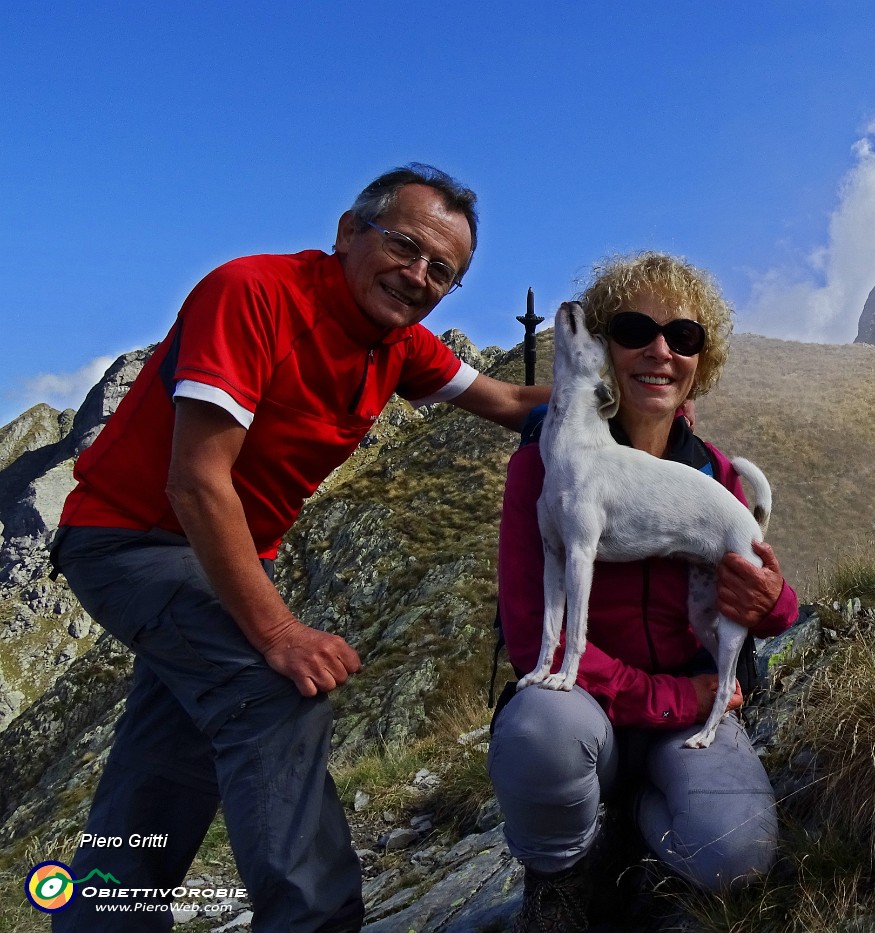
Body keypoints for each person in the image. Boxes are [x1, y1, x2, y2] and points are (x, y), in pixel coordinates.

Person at [49, 164, 550, 932]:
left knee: (164, 766)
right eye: (405, 245)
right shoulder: (253, 292)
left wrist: (634, 380)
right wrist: (279, 631)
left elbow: (513, 403)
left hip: (217, 558)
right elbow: (196, 482)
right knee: (275, 690)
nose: (418, 276)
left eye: (442, 271)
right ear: (350, 232)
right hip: (129, 540)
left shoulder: (400, 345)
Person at [489, 252, 800, 931]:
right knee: (540, 722)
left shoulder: (717, 475)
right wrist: (666, 697)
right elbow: (526, 636)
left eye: (683, 337)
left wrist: (768, 599)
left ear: (701, 358)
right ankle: (559, 875)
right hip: (595, 710)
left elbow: (776, 607)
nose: (661, 350)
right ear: (601, 349)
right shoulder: (539, 471)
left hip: (684, 716)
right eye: (635, 330)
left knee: (737, 855)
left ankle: (633, 830)